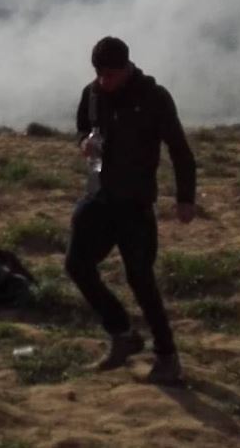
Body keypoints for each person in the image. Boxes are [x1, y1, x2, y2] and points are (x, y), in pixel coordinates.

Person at [68, 36, 197, 387]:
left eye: (110, 73)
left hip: (136, 204)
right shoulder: (92, 94)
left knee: (140, 279)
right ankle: (122, 334)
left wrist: (185, 197)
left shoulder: (154, 98)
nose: (103, 80)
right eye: (98, 72)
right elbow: (81, 128)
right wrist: (84, 143)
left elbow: (180, 151)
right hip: (99, 198)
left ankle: (167, 357)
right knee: (76, 265)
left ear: (126, 67)